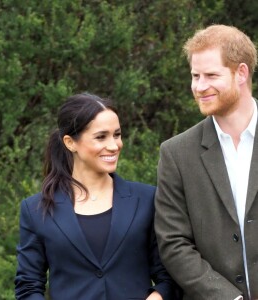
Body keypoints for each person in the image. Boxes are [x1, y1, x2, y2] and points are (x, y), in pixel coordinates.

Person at [15, 93, 181, 300]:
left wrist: (156, 297)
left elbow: (170, 276)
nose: (114, 145)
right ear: (70, 142)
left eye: (117, 135)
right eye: (101, 137)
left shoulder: (147, 199)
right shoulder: (35, 209)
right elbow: (28, 287)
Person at [154, 24, 258, 300]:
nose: (200, 87)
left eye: (211, 75)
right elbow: (174, 243)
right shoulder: (176, 153)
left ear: (241, 73)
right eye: (195, 76)